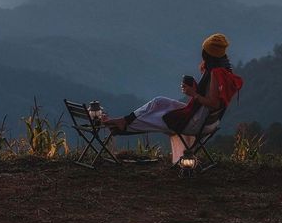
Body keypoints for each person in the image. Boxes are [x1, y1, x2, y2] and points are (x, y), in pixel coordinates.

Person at [102, 33, 243, 163]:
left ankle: (122, 127)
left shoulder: (215, 73)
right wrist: (195, 89)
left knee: (157, 117)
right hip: (203, 117)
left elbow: (213, 103)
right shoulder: (222, 70)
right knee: (159, 102)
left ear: (207, 53)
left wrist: (193, 94)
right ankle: (125, 121)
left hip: (198, 123)